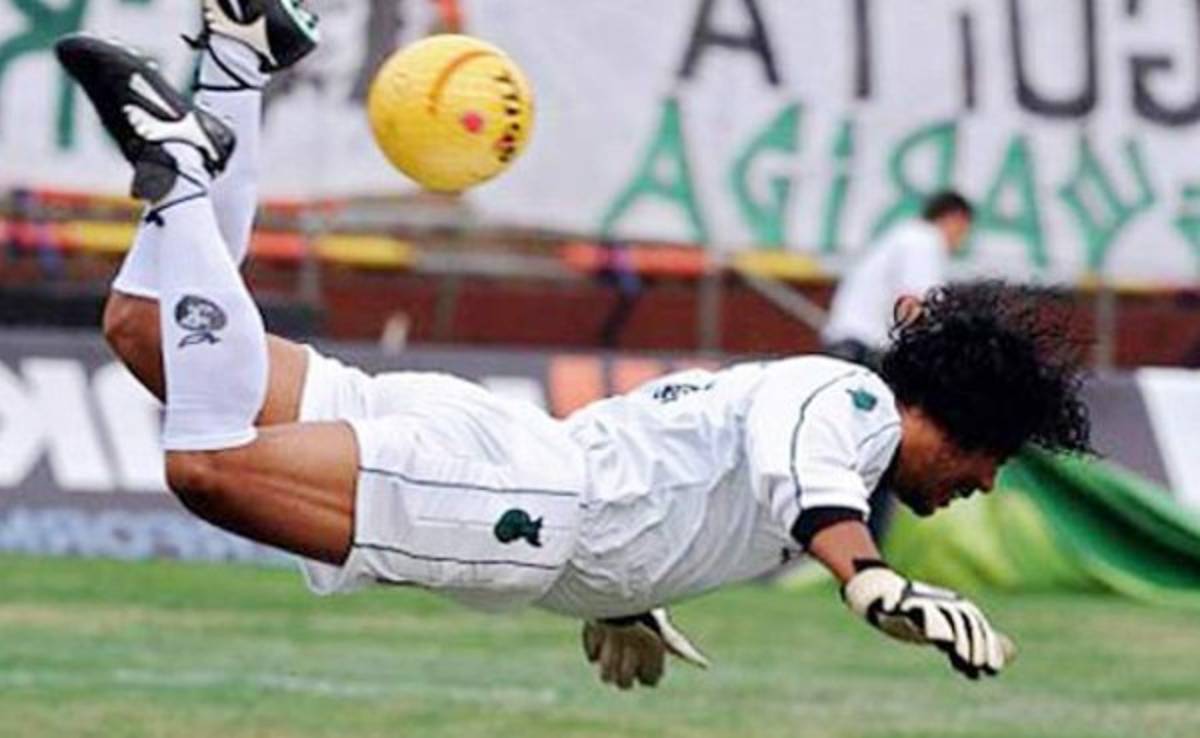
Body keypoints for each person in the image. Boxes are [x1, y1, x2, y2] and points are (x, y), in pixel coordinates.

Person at [55, 3, 1091, 693]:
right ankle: (187, 171)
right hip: (520, 507)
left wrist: (625, 593)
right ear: (943, 413)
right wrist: (873, 583)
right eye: (988, 454)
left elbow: (689, 475)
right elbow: (809, 482)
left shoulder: (818, 406)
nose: (985, 483)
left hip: (505, 451)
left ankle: (236, 56)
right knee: (208, 462)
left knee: (147, 329)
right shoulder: (853, 409)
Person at [823, 191, 975, 368]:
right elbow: (915, 302)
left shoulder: (904, 235)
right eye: (964, 229)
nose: (962, 239)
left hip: (849, 340)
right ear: (954, 218)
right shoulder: (924, 241)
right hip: (864, 346)